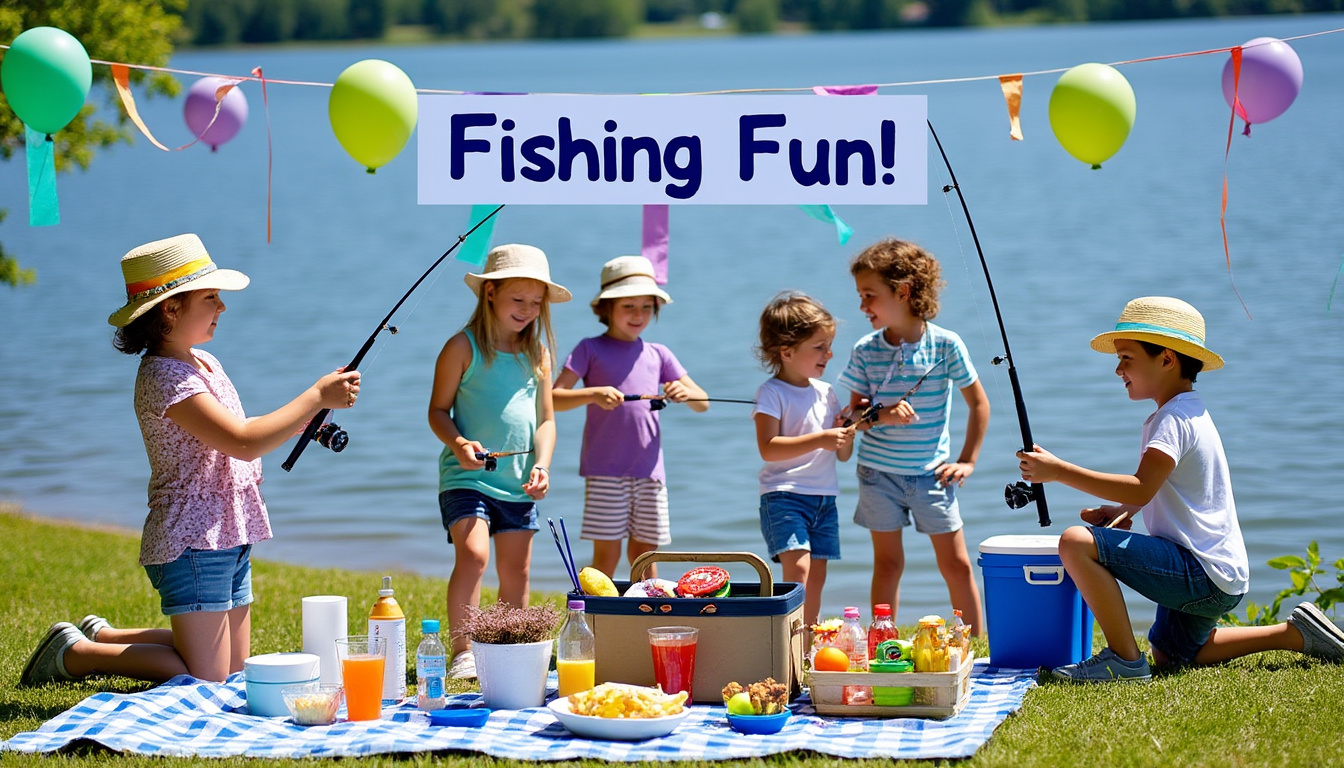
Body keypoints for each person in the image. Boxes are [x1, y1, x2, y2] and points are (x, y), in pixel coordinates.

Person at [19, 234, 361, 687]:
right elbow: (241, 442)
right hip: (193, 541)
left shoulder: (203, 362)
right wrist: (315, 395)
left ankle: (105, 634)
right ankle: (77, 654)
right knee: (206, 679)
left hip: (230, 530)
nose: (222, 307)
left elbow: (234, 429)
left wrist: (304, 421)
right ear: (171, 309)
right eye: (211, 297)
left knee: (237, 670)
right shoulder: (164, 376)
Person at [1018, 296, 1344, 682]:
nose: (1118, 369)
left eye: (1127, 358)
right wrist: (1123, 511)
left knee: (1075, 542)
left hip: (1201, 571)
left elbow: (1142, 487)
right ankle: (1293, 635)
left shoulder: (1173, 420)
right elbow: (1154, 488)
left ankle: (1124, 661)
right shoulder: (1186, 411)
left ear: (1167, 359)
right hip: (1219, 574)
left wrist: (1058, 471)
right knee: (1173, 656)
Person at [429, 244, 569, 680]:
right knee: (473, 556)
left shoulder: (538, 354)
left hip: (518, 482)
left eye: (535, 302)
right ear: (489, 292)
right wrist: (459, 443)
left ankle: (510, 651)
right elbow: (437, 411)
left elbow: (546, 420)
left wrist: (542, 465)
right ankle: (464, 653)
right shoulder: (462, 347)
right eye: (517, 299)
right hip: (466, 477)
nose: (527, 310)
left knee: (517, 570)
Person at [837, 238, 988, 635]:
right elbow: (852, 415)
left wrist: (968, 460)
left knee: (955, 564)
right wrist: (881, 415)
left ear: (902, 292)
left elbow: (979, 405)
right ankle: (881, 639)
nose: (862, 307)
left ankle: (971, 643)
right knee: (887, 564)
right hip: (877, 475)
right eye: (860, 296)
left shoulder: (945, 345)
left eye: (870, 296)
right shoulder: (866, 350)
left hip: (931, 476)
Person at [552, 255, 708, 578]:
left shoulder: (659, 354)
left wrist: (683, 393)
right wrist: (593, 394)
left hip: (650, 473)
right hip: (605, 472)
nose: (638, 315)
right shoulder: (589, 349)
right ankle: (599, 618)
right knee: (606, 556)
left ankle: (648, 613)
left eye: (646, 307)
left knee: (645, 555)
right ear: (606, 308)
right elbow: (554, 398)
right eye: (628, 307)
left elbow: (703, 401)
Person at [752, 292, 854, 628]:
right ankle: (784, 638)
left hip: (825, 498)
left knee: (819, 575)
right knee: (798, 571)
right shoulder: (771, 393)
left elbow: (842, 454)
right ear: (787, 351)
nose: (829, 353)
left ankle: (807, 644)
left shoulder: (826, 391)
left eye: (829, 345)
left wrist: (843, 434)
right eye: (819, 346)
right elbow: (768, 447)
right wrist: (822, 438)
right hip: (784, 496)